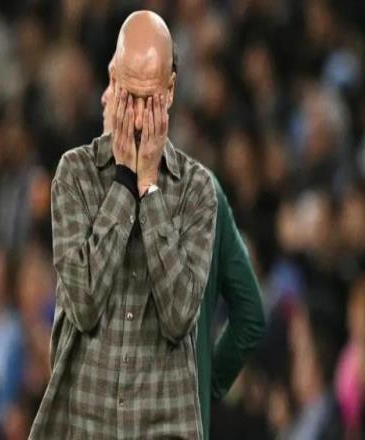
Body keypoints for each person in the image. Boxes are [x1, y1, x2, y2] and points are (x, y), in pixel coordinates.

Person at [30, 10, 217, 439]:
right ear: (111, 82)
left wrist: (149, 191)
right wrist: (124, 182)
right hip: (83, 426)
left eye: (149, 100)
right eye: (128, 96)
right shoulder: (74, 174)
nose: (136, 117)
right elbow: (84, 302)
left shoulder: (197, 190)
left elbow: (180, 316)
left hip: (165, 426)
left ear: (171, 90)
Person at [101, 44, 265, 439]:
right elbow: (250, 315)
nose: (104, 98)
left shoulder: (100, 197)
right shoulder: (207, 192)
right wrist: (203, 387)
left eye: (114, 85)